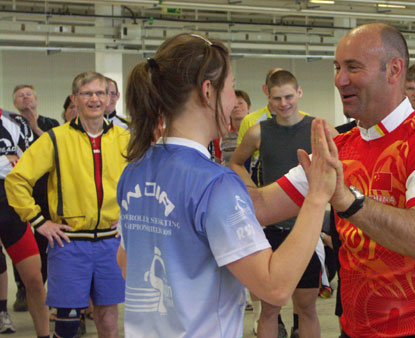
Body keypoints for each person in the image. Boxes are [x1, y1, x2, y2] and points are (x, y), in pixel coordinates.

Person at [248, 22, 415, 337]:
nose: (339, 80)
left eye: (353, 67)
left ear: (394, 70)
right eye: (337, 67)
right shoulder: (339, 147)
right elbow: (261, 206)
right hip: (356, 326)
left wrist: (347, 201)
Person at [116, 32, 336, 338]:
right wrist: (317, 197)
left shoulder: (135, 171)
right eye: (231, 87)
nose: (234, 99)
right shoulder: (215, 183)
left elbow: (127, 264)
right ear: (208, 91)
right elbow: (274, 287)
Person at [6, 72, 129, 338]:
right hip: (69, 243)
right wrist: (39, 221)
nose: (94, 99)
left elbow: (144, 181)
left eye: (100, 93)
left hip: (111, 243)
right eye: (87, 93)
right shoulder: (55, 139)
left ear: (109, 98)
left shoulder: (124, 139)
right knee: (67, 322)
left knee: (108, 318)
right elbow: (16, 180)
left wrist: (130, 217)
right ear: (75, 99)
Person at [230, 69, 330, 338]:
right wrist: (254, 192)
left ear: (299, 93)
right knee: (270, 309)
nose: (284, 104)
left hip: (307, 230)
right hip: (270, 230)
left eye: (288, 96)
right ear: (268, 98)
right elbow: (236, 162)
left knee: (306, 307)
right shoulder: (257, 132)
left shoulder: (318, 129)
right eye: (277, 99)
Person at [12, 85, 59, 313]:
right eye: (20, 95)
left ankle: (41, 287)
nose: (25, 97)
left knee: (44, 242)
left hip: (45, 193)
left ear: (36, 99)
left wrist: (34, 128)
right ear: (14, 104)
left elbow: (59, 149)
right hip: (19, 194)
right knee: (19, 241)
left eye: (28, 93)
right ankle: (23, 287)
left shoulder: (51, 125)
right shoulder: (9, 126)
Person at [212, 89, 251, 166]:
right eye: (232, 103)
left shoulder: (257, 131)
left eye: (240, 103)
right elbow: (217, 163)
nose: (236, 106)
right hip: (228, 176)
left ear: (249, 107)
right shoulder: (220, 133)